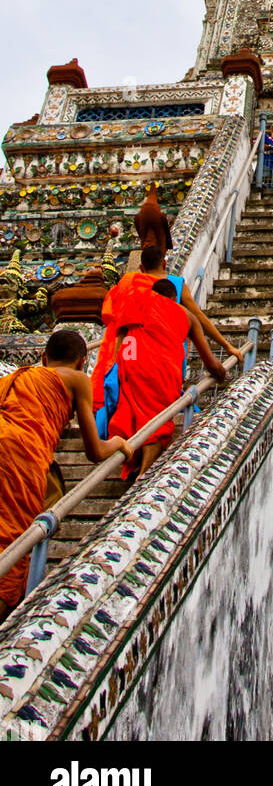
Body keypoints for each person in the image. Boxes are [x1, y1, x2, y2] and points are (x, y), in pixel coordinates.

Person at [0, 330, 131, 620]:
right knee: (13, 545)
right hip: (21, 454)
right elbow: (94, 451)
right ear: (84, 361)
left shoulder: (14, 379)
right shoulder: (77, 380)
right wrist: (119, 443)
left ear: (43, 357)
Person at [91, 245, 243, 434]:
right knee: (157, 420)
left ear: (140, 267)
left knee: (127, 413)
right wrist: (227, 346)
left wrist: (115, 361)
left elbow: (115, 323)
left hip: (129, 362)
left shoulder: (128, 283)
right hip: (163, 364)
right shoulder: (175, 285)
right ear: (164, 263)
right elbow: (199, 320)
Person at [109, 279, 228, 480]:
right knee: (158, 420)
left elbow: (120, 336)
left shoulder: (139, 301)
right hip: (162, 370)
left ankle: (132, 461)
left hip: (131, 364)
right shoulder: (186, 314)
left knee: (131, 412)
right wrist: (222, 374)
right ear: (175, 298)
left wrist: (114, 367)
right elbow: (210, 363)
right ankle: (144, 473)